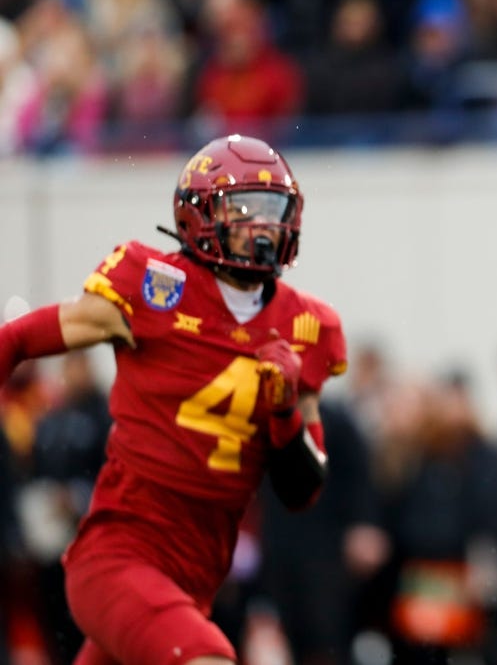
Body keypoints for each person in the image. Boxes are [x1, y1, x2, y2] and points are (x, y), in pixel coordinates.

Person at [0, 133, 347, 665]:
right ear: (199, 216)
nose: (263, 226)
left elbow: (303, 491)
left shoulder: (307, 327)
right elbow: (18, 340)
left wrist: (282, 413)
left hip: (197, 577)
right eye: (244, 208)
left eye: (273, 210)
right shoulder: (155, 286)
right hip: (121, 554)